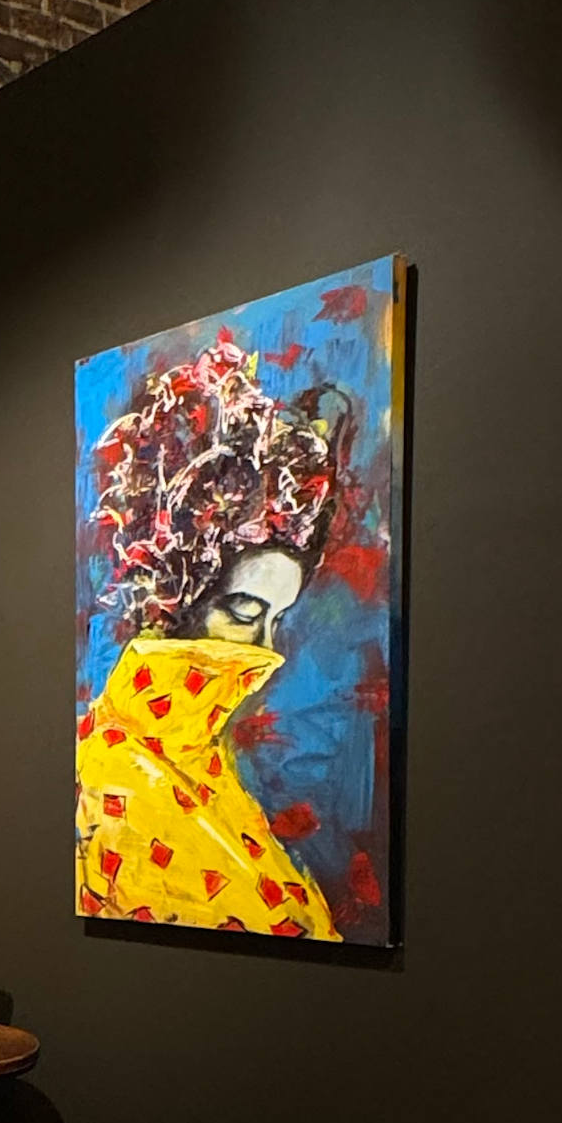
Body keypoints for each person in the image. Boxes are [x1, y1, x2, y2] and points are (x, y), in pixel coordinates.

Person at [74, 338, 346, 939]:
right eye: (245, 611)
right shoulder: (118, 772)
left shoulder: (207, 767)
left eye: (278, 619)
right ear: (175, 598)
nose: (264, 650)